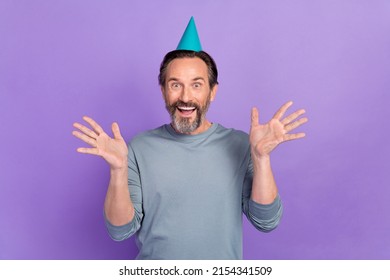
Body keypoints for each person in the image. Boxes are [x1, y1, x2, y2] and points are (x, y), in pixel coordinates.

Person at [72, 17, 308, 259]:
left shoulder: (240, 145)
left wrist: (261, 158)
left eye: (196, 85)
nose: (186, 97)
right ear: (163, 89)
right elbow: (119, 231)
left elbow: (266, 221)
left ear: (212, 91)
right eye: (176, 85)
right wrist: (118, 170)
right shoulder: (138, 148)